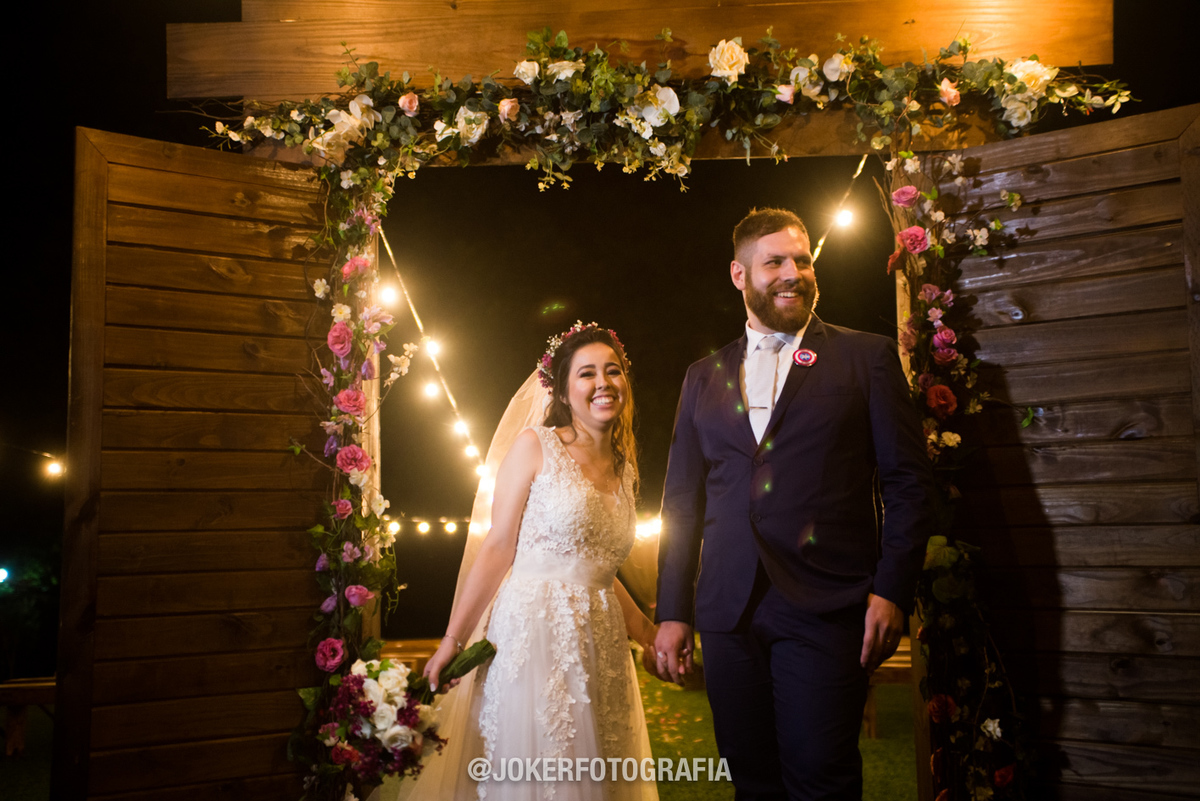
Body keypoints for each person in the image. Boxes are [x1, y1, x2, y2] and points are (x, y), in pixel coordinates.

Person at [653, 208, 933, 800]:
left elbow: (908, 483)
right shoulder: (702, 376)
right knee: (752, 783)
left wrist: (892, 589)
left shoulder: (867, 358)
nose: (792, 273)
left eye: (802, 260)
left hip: (826, 608)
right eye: (775, 261)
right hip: (728, 612)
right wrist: (673, 610)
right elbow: (681, 500)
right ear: (739, 274)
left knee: (820, 779)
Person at [385, 322, 659, 801]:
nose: (603, 383)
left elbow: (598, 567)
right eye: (587, 373)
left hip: (602, 642)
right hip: (537, 634)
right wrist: (452, 639)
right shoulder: (536, 446)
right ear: (563, 387)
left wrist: (649, 635)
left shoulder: (626, 468)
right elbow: (498, 546)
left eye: (612, 371)